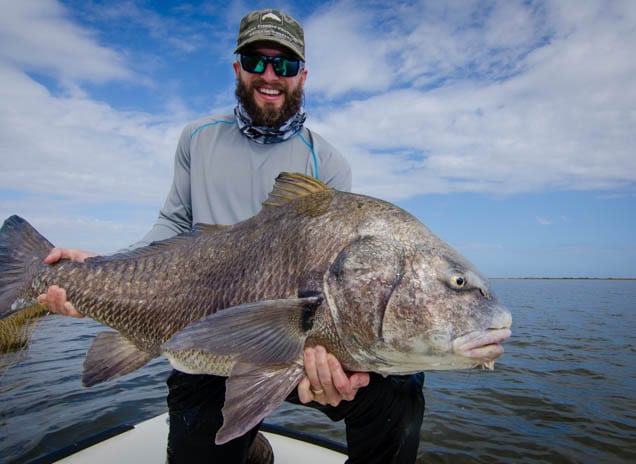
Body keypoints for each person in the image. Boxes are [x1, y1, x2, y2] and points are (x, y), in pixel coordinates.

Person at [38, 9, 425, 464]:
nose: (269, 74)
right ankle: (250, 449)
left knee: (400, 393)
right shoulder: (197, 139)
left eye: (283, 64)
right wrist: (99, 268)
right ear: (237, 67)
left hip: (291, 343)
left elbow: (333, 274)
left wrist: (330, 358)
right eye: (256, 59)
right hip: (199, 337)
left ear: (302, 75)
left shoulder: (329, 163)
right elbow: (172, 224)